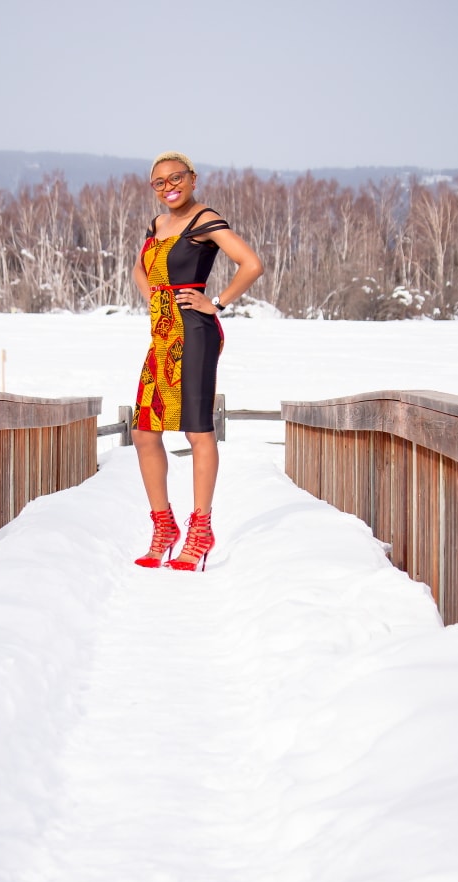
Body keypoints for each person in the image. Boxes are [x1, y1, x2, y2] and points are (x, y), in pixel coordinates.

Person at [132, 151, 264, 572]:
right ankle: (164, 526)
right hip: (162, 337)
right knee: (143, 432)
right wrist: (156, 296)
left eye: (176, 178)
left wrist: (216, 303)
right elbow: (140, 270)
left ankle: (200, 529)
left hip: (194, 335)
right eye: (159, 182)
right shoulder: (157, 225)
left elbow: (252, 264)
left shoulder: (204, 218)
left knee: (196, 431)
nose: (168, 186)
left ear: (192, 179)